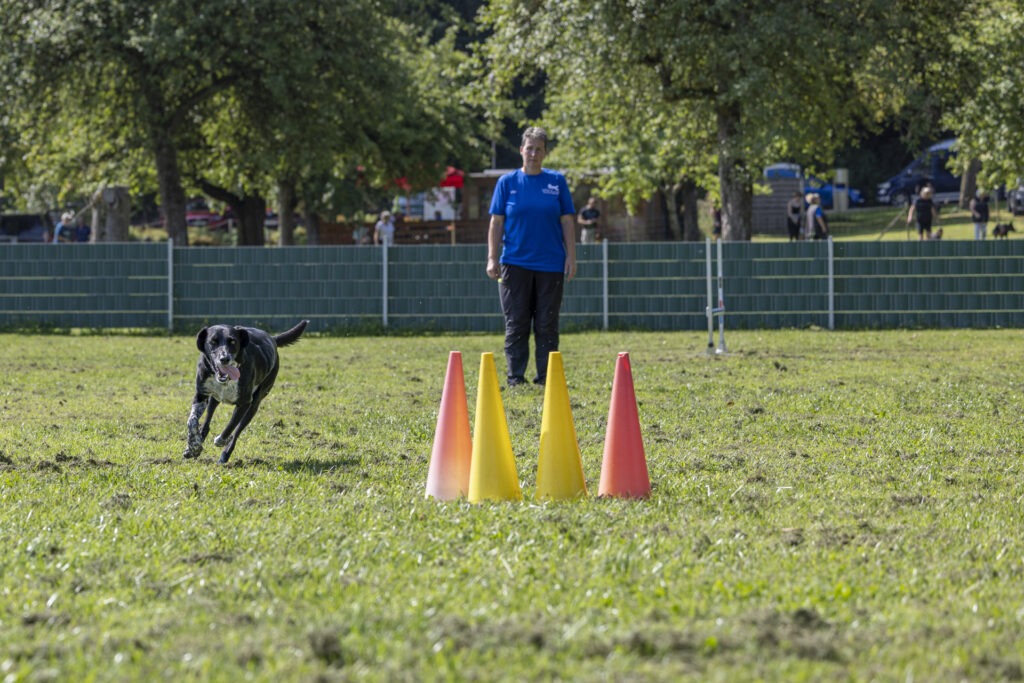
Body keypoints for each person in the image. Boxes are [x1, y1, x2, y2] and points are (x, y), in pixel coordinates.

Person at [486, 126, 576, 387]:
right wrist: (492, 257)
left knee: (547, 323)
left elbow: (567, 221)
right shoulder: (507, 183)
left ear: (545, 153)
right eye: (529, 148)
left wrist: (571, 256)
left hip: (551, 263)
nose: (533, 154)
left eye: (539, 149)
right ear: (521, 150)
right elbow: (496, 223)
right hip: (514, 263)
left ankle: (546, 378)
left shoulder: (557, 182)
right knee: (517, 322)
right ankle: (515, 378)